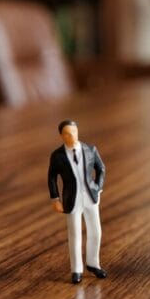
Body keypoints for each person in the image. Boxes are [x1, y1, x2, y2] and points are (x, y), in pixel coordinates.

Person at [48, 120, 106, 284]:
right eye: (67, 133)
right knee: (75, 235)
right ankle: (76, 270)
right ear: (61, 136)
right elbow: (52, 178)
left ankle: (93, 264)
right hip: (72, 199)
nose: (71, 136)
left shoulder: (90, 149)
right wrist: (55, 199)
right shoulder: (57, 156)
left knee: (96, 232)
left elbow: (100, 169)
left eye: (74, 132)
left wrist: (98, 188)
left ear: (77, 131)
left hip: (91, 197)